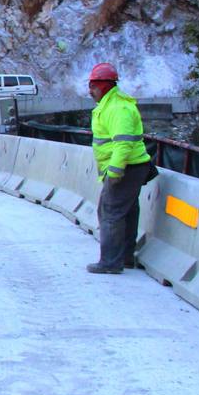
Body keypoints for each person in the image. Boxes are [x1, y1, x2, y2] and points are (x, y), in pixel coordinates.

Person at [86, 62, 153, 274]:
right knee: (127, 212)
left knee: (110, 212)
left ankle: (110, 262)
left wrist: (115, 171)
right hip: (132, 167)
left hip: (126, 168)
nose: (90, 91)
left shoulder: (117, 108)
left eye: (93, 86)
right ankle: (124, 258)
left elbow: (123, 143)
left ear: (104, 86)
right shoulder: (110, 105)